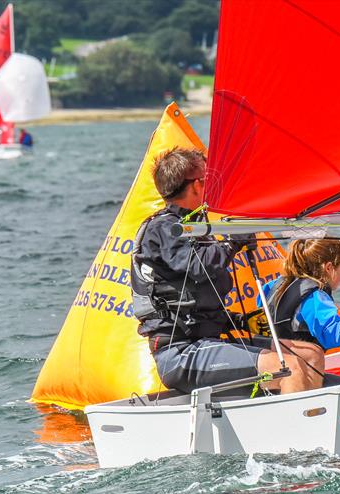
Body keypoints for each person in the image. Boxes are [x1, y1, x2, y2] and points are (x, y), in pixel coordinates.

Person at [131, 147, 325, 395]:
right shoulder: (164, 228)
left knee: (311, 354)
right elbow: (199, 266)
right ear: (198, 185)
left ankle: (303, 417)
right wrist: (233, 241)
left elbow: (199, 298)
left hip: (211, 341)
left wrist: (240, 320)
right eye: (209, 178)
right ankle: (302, 429)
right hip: (181, 352)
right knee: (289, 368)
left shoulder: (195, 227)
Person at [259, 239, 340, 351]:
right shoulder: (315, 297)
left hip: (271, 360)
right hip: (298, 367)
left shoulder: (276, 284)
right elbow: (332, 336)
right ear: (329, 268)